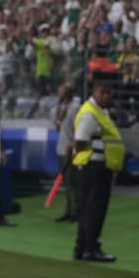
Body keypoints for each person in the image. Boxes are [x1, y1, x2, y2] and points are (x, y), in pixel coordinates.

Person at [72, 79, 124, 262]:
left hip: (99, 165)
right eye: (103, 92)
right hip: (94, 166)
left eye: (108, 93)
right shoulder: (89, 113)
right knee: (94, 209)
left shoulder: (100, 111)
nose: (106, 96)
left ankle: (83, 247)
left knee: (88, 208)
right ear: (94, 92)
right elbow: (80, 140)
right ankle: (90, 248)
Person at [54, 84, 81, 222]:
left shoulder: (75, 108)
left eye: (60, 91)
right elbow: (58, 126)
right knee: (67, 183)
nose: (58, 93)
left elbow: (78, 128)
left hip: (69, 148)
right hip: (61, 147)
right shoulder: (62, 108)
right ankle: (69, 211)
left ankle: (76, 212)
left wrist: (74, 146)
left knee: (72, 182)